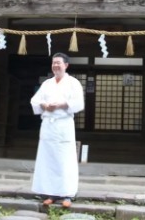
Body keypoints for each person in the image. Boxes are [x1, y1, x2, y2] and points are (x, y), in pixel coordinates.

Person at [30, 52, 85, 208]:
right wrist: (44, 105)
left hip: (63, 124)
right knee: (48, 159)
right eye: (53, 63)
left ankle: (67, 195)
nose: (55, 65)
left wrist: (61, 105)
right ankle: (50, 194)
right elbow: (35, 100)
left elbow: (78, 103)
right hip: (48, 125)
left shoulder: (73, 83)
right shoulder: (47, 83)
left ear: (66, 65)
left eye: (58, 63)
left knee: (64, 159)